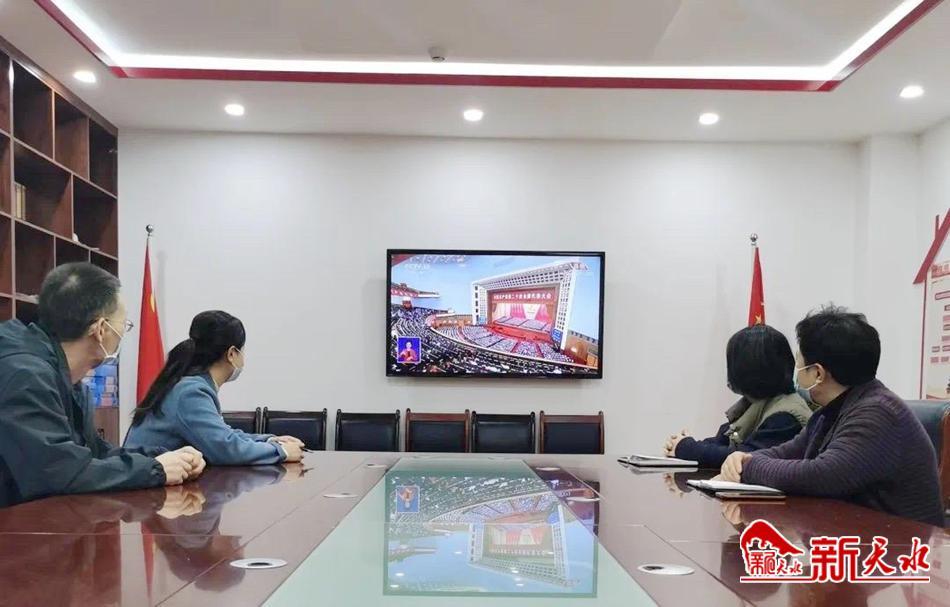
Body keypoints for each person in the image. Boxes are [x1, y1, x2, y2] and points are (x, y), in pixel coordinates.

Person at [0, 263, 205, 508]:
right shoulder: (25, 374)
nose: (123, 333)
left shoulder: (66, 376)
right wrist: (156, 470)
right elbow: (58, 472)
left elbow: (94, 453)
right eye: (124, 324)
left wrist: (164, 457)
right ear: (100, 329)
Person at [719, 306, 944, 526]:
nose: (796, 373)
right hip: (853, 534)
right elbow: (788, 452)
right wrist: (743, 458)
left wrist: (748, 468)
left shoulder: (878, 413)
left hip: (897, 544)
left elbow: (820, 476)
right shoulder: (833, 410)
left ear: (818, 373)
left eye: (800, 365)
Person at [125, 311, 304, 465]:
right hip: (143, 488)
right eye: (242, 350)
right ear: (232, 353)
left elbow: (224, 435)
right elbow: (226, 449)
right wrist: (281, 452)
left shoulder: (191, 384)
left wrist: (269, 440)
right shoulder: (190, 392)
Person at [664, 325, 813, 468]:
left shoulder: (785, 416)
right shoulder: (757, 402)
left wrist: (686, 448)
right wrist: (682, 443)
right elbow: (722, 442)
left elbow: (745, 457)